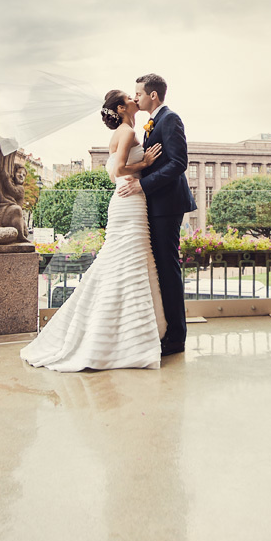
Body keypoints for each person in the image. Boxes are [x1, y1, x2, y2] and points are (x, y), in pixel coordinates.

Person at [20, 90, 166, 371]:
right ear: (122, 108)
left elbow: (113, 170)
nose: (135, 99)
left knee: (123, 263)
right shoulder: (126, 132)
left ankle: (119, 334)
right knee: (127, 263)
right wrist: (145, 164)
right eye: (129, 97)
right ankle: (125, 339)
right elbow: (118, 170)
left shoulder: (126, 131)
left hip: (126, 200)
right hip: (128, 199)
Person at [117, 73, 196, 356]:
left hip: (168, 206)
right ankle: (163, 330)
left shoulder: (170, 119)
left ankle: (176, 337)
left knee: (168, 268)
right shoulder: (153, 123)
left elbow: (178, 163)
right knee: (160, 268)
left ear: (153, 95)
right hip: (155, 204)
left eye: (138, 93)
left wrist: (142, 184)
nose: (135, 97)